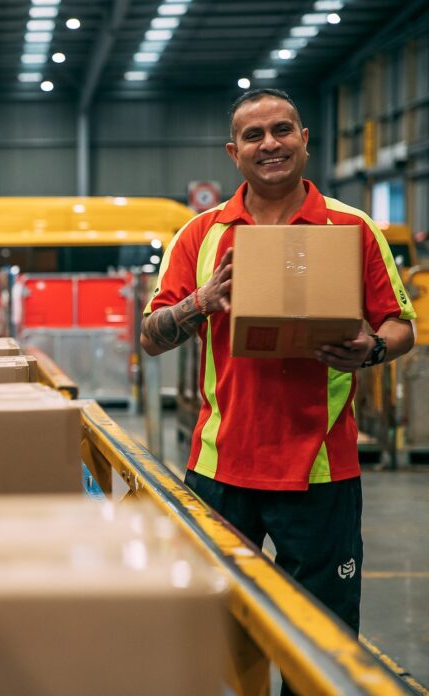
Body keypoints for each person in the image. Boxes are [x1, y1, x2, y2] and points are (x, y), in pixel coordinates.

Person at [140, 88, 415, 677]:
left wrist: (370, 350)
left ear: (304, 140)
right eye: (254, 135)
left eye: (282, 130)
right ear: (232, 151)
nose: (270, 144)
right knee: (212, 632)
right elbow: (151, 334)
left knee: (324, 641)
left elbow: (401, 326)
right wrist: (201, 301)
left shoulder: (352, 228)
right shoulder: (202, 236)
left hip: (320, 469)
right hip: (220, 466)